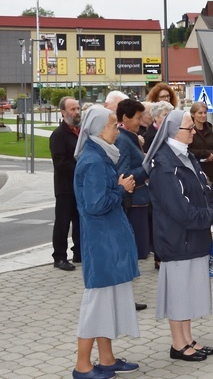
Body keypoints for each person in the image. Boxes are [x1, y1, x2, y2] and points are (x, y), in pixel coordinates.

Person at [143, 110, 213, 362]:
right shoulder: (164, 165)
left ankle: (187, 338)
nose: (194, 131)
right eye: (189, 128)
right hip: (177, 238)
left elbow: (203, 193)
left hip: (190, 236)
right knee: (178, 294)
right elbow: (180, 210)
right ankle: (177, 344)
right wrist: (212, 217)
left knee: (188, 292)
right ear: (174, 132)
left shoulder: (183, 156)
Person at [72, 106, 140, 378]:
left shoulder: (100, 156)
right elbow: (95, 204)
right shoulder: (94, 161)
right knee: (96, 305)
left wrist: (118, 187)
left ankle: (108, 359)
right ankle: (82, 365)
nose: (118, 129)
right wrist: (121, 189)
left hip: (108, 241)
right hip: (102, 244)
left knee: (106, 303)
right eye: (114, 125)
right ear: (100, 129)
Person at [114, 99, 151, 260]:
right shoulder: (123, 139)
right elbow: (124, 174)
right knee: (136, 252)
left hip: (140, 200)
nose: (140, 121)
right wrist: (148, 167)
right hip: (133, 202)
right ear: (125, 117)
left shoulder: (129, 136)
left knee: (140, 252)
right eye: (137, 117)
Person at [50, 96, 82, 271]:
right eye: (72, 109)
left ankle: (78, 252)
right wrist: (82, 168)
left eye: (78, 108)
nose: (76, 112)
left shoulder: (80, 132)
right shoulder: (58, 135)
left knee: (79, 221)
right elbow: (61, 163)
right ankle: (60, 257)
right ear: (63, 112)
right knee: (63, 222)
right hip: (65, 187)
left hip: (79, 187)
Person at [187, 102, 213, 201]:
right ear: (193, 114)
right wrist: (205, 153)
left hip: (210, 168)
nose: (203, 115)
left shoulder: (209, 128)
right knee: (200, 198)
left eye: (205, 113)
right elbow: (188, 149)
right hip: (197, 167)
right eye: (200, 113)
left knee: (212, 199)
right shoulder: (189, 129)